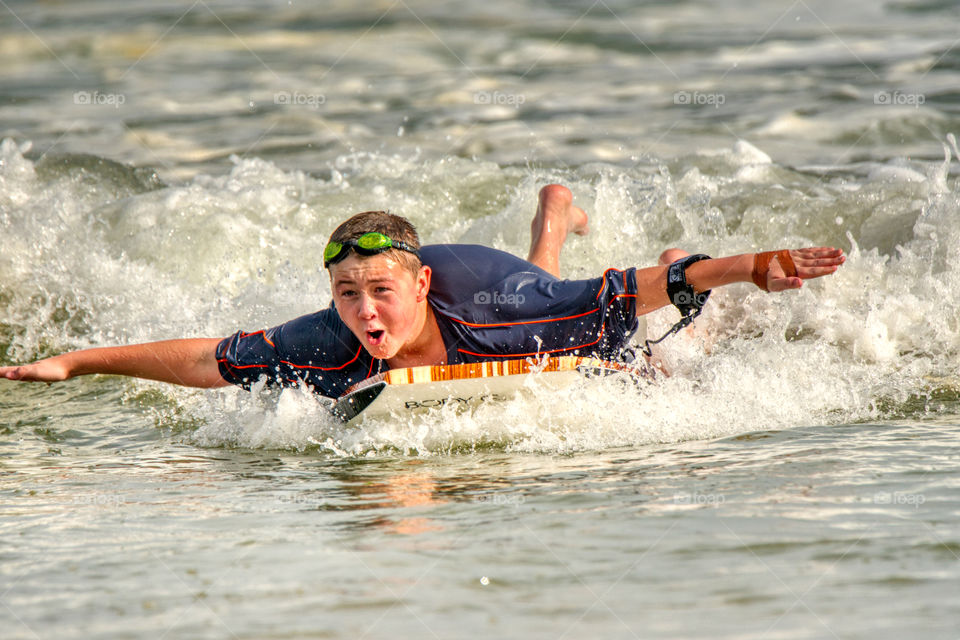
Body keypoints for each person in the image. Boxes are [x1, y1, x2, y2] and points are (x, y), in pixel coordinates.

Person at [0, 185, 845, 398]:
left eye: (378, 293)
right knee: (551, 296)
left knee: (644, 354)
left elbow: (635, 289)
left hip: (494, 290)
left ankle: (555, 210)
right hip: (461, 287)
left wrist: (749, 266)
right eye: (345, 294)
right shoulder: (330, 337)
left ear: (417, 282)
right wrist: (77, 362)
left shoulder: (495, 303)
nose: (365, 313)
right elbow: (210, 360)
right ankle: (553, 207)